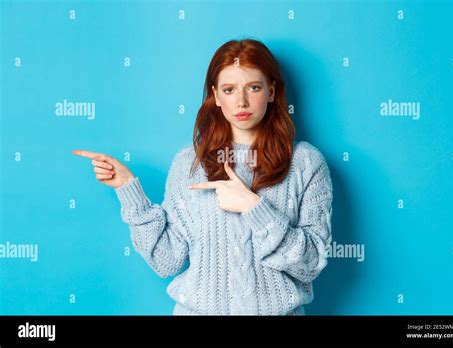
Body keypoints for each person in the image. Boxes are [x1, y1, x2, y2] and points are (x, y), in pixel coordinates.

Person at [73, 38, 333, 315]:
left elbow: (311, 264)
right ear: (216, 96)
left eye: (253, 88)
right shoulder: (190, 163)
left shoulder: (305, 162)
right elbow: (167, 260)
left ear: (271, 91)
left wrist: (254, 208)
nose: (242, 101)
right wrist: (128, 189)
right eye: (229, 89)